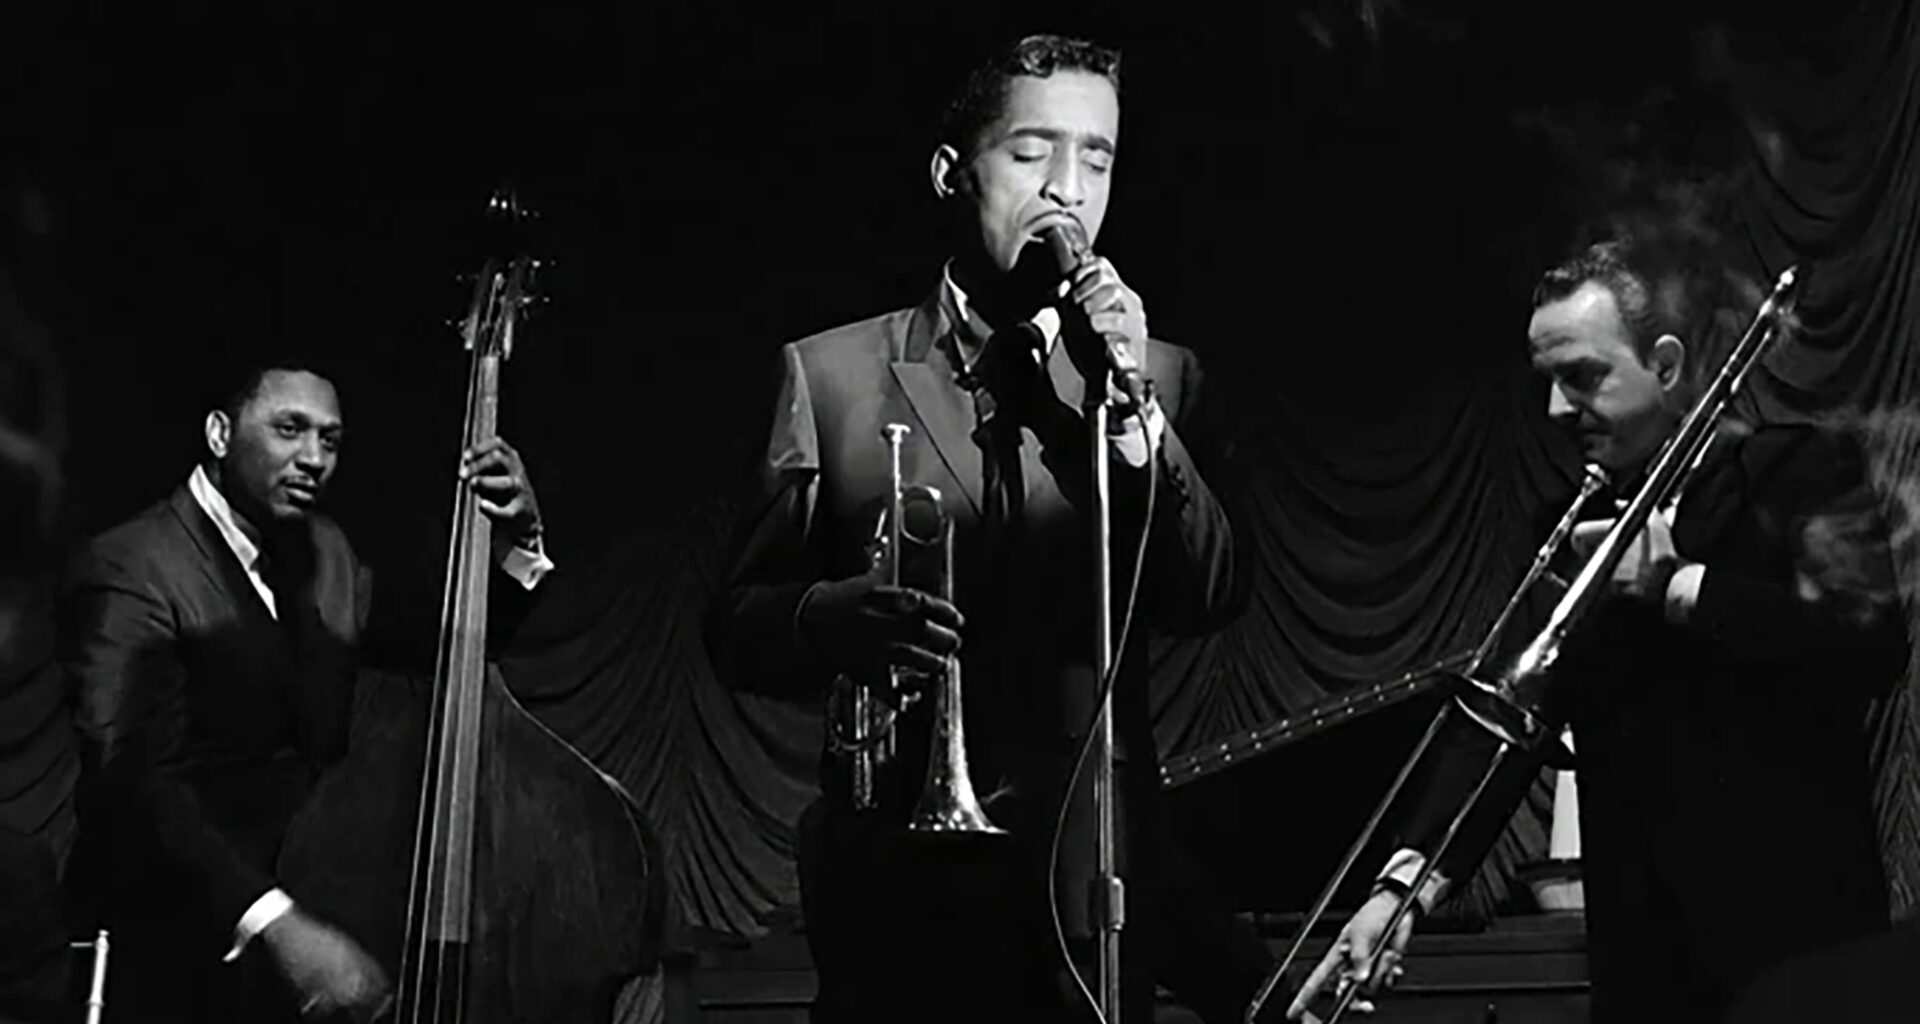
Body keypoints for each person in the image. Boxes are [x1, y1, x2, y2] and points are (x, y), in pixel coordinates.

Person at [704, 32, 1272, 1024]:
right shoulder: (831, 375)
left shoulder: (1164, 377)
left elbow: (1214, 594)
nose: (1068, 188)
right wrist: (826, 615)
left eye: (1096, 158)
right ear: (949, 173)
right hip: (897, 892)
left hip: (1088, 893)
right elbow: (733, 626)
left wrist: (1136, 416)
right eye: (1031, 152)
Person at [1287, 214, 1909, 1023]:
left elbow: (1872, 644)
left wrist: (1679, 585)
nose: (1554, 408)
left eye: (1581, 376)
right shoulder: (1567, 529)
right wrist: (1400, 891)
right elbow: (1504, 722)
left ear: (1667, 365)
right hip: (1645, 971)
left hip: (1801, 960)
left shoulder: (1795, 469)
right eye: (1546, 379)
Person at [59, 359, 555, 1023]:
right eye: (289, 429)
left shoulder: (325, 551)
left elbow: (448, 642)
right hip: (172, 952)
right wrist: (277, 924)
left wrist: (520, 541)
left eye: (330, 439)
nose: (314, 457)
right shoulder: (130, 566)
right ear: (219, 433)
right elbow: (135, 784)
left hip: (305, 938)